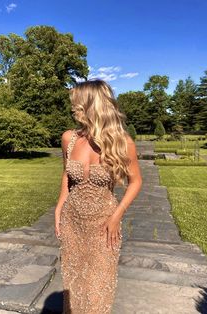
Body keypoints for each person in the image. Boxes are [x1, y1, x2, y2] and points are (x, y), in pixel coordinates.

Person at [54, 79, 142, 314]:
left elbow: (136, 182)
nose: (74, 109)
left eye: (78, 104)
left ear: (92, 105)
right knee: (73, 285)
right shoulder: (68, 138)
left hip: (104, 224)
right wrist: (59, 207)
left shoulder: (122, 142)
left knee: (98, 288)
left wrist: (116, 216)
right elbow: (66, 174)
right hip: (72, 222)